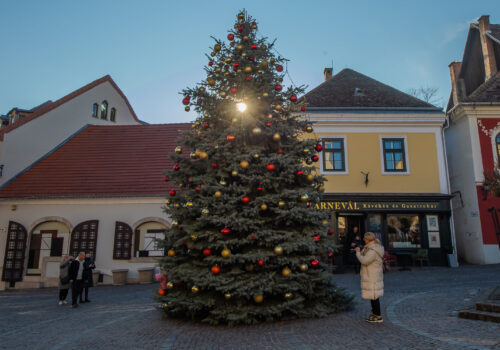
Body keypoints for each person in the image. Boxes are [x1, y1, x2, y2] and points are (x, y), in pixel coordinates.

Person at [355, 232, 385, 323]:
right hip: (372, 274)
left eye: (365, 239)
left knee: (374, 296)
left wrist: (358, 253)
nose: (364, 240)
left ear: (368, 239)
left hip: (372, 275)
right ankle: (374, 314)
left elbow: (364, 261)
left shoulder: (372, 250)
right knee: (373, 296)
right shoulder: (371, 248)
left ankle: (378, 316)